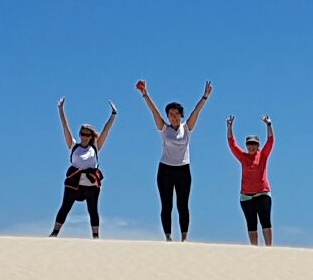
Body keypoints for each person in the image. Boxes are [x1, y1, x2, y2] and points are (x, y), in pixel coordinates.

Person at [136, 78, 213, 241]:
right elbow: (154, 111)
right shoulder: (164, 129)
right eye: (171, 114)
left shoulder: (186, 128)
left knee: (183, 205)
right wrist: (145, 94)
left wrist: (205, 96)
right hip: (165, 170)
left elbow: (196, 112)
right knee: (167, 205)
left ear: (181, 115)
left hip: (183, 170)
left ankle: (184, 238)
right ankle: (168, 237)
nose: (174, 117)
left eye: (176, 114)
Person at [51, 97, 118, 238]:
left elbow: (106, 131)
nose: (84, 137)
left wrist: (113, 115)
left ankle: (95, 236)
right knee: (65, 207)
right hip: (73, 182)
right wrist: (61, 110)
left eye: (87, 134)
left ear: (91, 136)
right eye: (82, 134)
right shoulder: (73, 146)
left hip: (91, 183)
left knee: (93, 210)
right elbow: (65, 128)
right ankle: (54, 233)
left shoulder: (95, 147)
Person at [227, 114, 275, 247]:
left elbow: (270, 141)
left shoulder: (263, 155)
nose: (251, 146)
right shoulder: (243, 157)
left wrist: (269, 125)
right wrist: (230, 127)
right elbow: (232, 144)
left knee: (266, 221)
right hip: (246, 198)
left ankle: (269, 249)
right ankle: (255, 250)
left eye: (254, 144)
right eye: (249, 144)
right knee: (251, 223)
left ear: (258, 145)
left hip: (263, 195)